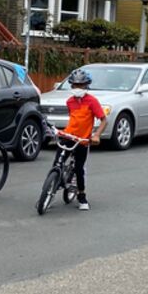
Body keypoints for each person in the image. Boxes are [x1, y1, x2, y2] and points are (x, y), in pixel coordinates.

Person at [61, 68, 105, 210]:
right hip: (69, 136)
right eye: (75, 85)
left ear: (87, 86)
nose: (77, 88)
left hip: (83, 140)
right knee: (58, 162)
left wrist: (96, 134)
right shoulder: (70, 102)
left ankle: (82, 196)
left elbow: (104, 120)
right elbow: (73, 119)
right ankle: (55, 182)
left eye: (81, 85)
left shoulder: (92, 101)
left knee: (79, 168)